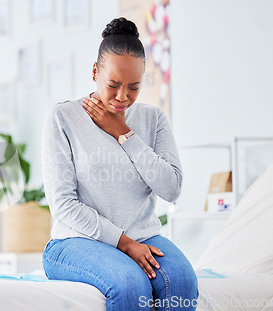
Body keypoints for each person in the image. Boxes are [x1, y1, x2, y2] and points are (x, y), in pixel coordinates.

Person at [41, 17, 199, 310]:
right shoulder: (63, 118)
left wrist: (123, 133)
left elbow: (172, 188)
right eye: (113, 85)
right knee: (130, 285)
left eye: (134, 87)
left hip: (144, 235)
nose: (122, 97)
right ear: (94, 72)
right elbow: (63, 204)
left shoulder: (153, 120)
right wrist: (125, 244)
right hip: (75, 241)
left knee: (182, 283)